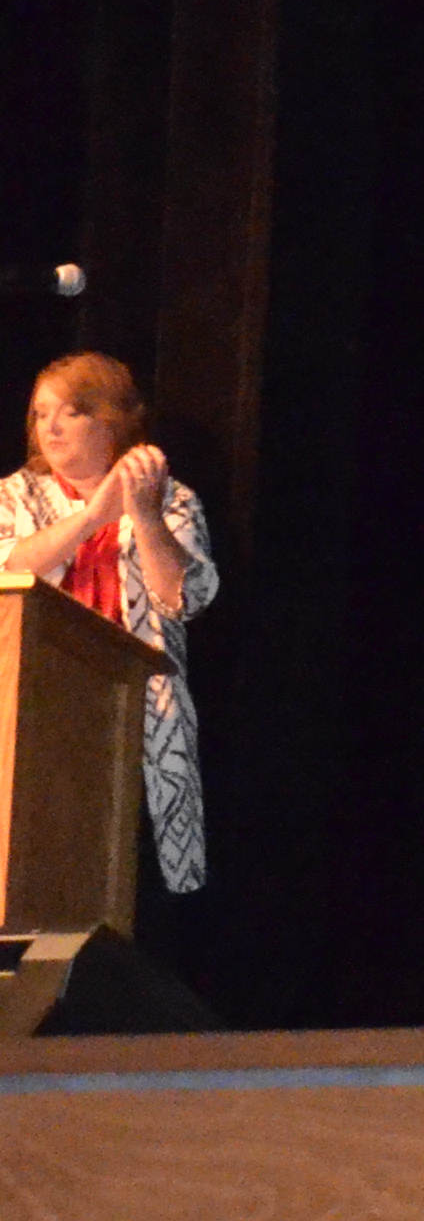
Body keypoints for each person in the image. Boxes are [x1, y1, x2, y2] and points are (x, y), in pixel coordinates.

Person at [4, 352, 216, 911]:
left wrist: (141, 514)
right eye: (39, 413)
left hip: (136, 719)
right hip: (32, 715)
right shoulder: (13, 496)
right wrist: (93, 517)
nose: (49, 427)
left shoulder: (171, 498)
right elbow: (8, 568)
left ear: (112, 421)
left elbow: (185, 597)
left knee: (128, 887)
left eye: (70, 412)